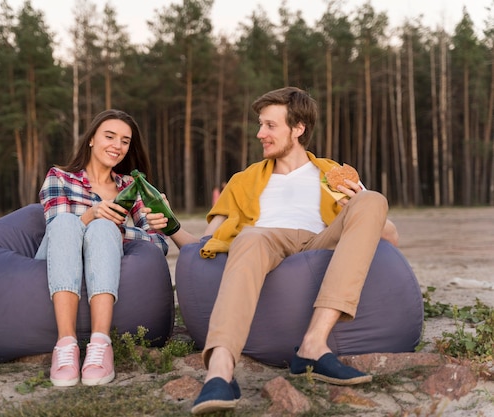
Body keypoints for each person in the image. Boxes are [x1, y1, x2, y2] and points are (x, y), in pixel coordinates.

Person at [145, 87, 399, 414]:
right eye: (260, 125)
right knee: (249, 236)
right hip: (265, 242)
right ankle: (220, 372)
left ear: (298, 128)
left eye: (269, 125)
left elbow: (389, 238)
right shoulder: (242, 181)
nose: (259, 133)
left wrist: (359, 200)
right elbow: (203, 246)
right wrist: (170, 225)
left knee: (374, 198)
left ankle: (313, 345)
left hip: (320, 242)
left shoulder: (333, 174)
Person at [35, 109, 168, 387]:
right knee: (67, 223)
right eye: (109, 136)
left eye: (125, 141)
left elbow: (158, 244)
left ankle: (100, 344)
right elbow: (57, 232)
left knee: (104, 227)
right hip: (58, 255)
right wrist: (92, 213)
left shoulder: (133, 186)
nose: (117, 146)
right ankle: (66, 344)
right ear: (92, 139)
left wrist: (117, 229)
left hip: (104, 256)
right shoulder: (59, 177)